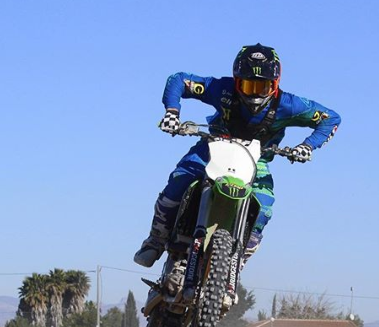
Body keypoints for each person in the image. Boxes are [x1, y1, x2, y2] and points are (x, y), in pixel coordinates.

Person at [134, 43, 341, 269]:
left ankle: (236, 262)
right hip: (211, 149)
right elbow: (180, 79)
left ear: (275, 84)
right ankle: (155, 240)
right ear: (236, 81)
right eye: (248, 85)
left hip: (256, 161)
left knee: (263, 209)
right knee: (178, 183)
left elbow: (330, 118)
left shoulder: (289, 105)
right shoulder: (221, 89)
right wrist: (172, 113)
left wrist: (308, 146)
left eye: (262, 86)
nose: (255, 93)